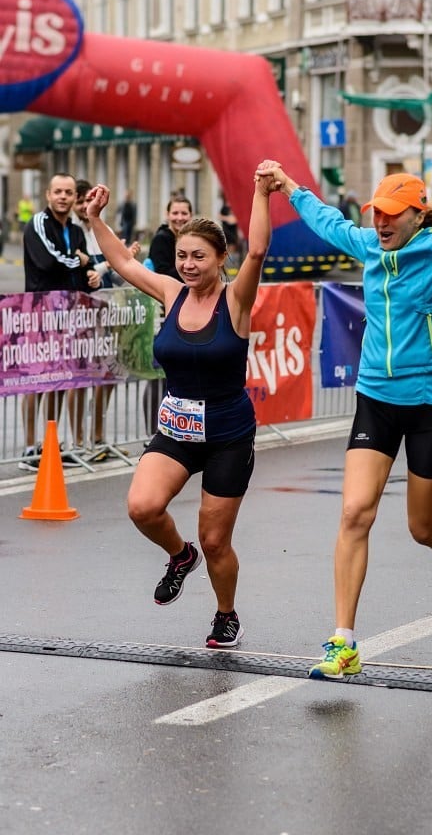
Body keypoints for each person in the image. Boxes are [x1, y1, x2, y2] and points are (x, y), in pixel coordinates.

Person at [256, 153, 432, 680]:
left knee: (421, 526)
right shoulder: (368, 245)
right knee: (355, 512)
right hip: (377, 394)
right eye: (376, 212)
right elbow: (330, 223)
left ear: (417, 215)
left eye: (391, 214)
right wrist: (289, 184)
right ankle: (344, 642)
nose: (379, 223)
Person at [85, 172, 273, 648]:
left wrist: (259, 192)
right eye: (182, 256)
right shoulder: (171, 292)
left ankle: (225, 614)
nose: (188, 265)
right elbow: (124, 262)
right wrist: (94, 220)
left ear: (220, 257)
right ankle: (178, 555)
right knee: (142, 507)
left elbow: (257, 252)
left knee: (216, 541)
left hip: (228, 434)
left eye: (199, 257)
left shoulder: (236, 299)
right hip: (177, 429)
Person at [20, 173, 101, 471]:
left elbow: (85, 267)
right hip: (41, 310)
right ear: (48, 195)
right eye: (58, 192)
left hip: (69, 312)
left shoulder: (77, 231)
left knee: (58, 380)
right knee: (36, 381)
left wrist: (91, 274)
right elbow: (48, 262)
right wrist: (78, 261)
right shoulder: (39, 223)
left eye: (68, 192)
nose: (64, 197)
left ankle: (50, 443)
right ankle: (30, 448)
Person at [72, 180, 141, 454]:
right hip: (81, 312)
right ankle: (78, 443)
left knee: (109, 374)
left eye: (84, 201)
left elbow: (118, 263)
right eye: (79, 202)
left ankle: (99, 438)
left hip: (109, 308)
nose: (82, 206)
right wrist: (106, 264)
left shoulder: (103, 227)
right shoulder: (72, 231)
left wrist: (120, 259)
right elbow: (81, 267)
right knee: (80, 378)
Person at [144, 194, 194, 434]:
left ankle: (173, 427)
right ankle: (152, 431)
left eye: (184, 213)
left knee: (178, 375)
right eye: (175, 213)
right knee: (157, 374)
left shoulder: (192, 239)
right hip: (162, 316)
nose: (180, 217)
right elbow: (163, 273)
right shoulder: (162, 240)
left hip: (184, 315)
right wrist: (190, 278)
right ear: (167, 215)